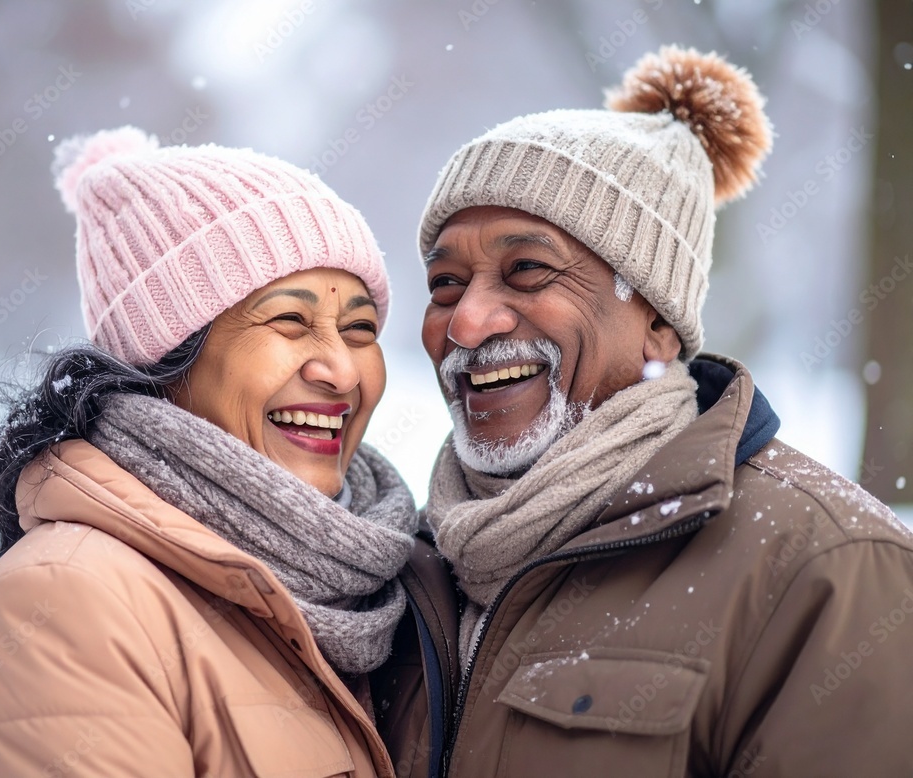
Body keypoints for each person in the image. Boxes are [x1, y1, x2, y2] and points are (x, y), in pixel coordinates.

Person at [383, 45, 913, 776]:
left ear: (659, 321)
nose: (467, 324)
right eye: (445, 283)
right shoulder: (405, 576)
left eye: (527, 270)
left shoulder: (825, 570)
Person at [0, 126, 423, 776]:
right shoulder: (67, 609)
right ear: (167, 360)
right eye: (290, 323)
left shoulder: (382, 593)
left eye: (359, 329)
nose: (343, 371)